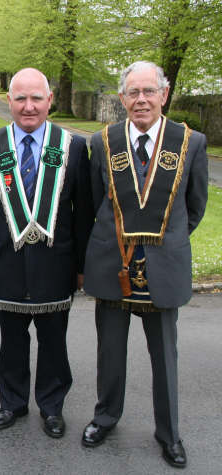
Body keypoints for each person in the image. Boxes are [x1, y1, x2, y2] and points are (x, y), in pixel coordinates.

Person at [81, 61, 208, 468]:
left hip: (162, 266)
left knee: (164, 358)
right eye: (132, 93)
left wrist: (165, 243)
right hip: (114, 264)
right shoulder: (103, 142)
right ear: (122, 98)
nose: (141, 100)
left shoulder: (191, 143)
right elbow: (94, 202)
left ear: (164, 94)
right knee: (110, 353)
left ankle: (169, 433)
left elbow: (195, 207)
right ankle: (105, 418)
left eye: (148, 91)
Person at [0, 68, 94, 437]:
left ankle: (52, 407)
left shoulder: (72, 147)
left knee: (54, 343)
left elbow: (83, 214)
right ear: (9, 101)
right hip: (3, 264)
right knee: (11, 343)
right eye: (20, 98)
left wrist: (82, 267)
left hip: (57, 266)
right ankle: (12, 403)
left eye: (36, 97)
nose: (28, 106)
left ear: (49, 100)